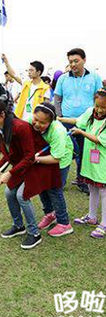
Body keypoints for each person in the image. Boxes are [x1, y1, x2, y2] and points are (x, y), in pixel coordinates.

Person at [0, 99, 61, 249]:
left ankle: (34, 233)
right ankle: (19, 226)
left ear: (2, 114)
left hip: (38, 164)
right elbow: (9, 152)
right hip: (24, 164)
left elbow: (29, 157)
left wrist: (9, 173)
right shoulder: (0, 128)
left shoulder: (20, 127)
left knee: (22, 195)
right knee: (9, 193)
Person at [54, 48, 103, 194]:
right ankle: (59, 181)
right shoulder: (63, 78)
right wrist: (59, 115)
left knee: (84, 152)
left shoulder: (94, 77)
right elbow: (57, 98)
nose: (73, 64)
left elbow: (99, 98)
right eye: (70, 62)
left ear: (84, 60)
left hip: (87, 122)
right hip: (66, 121)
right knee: (65, 151)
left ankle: (82, 181)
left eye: (76, 61)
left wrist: (97, 117)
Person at [59, 89, 106, 238]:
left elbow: (99, 139)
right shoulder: (91, 113)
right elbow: (77, 121)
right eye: (97, 106)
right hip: (91, 162)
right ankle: (92, 217)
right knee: (92, 188)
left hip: (103, 164)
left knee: (104, 193)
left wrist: (81, 133)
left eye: (103, 107)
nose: (99, 110)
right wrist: (59, 119)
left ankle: (104, 224)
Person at [31, 103, 74, 237]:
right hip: (43, 155)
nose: (37, 124)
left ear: (51, 121)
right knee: (42, 187)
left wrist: (35, 159)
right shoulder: (29, 121)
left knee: (54, 190)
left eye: (43, 123)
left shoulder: (58, 131)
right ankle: (50, 214)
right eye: (36, 120)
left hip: (60, 158)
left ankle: (64, 223)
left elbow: (56, 158)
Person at [2, 54, 50, 121]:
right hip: (21, 118)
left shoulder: (45, 88)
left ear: (38, 72)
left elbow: (47, 108)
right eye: (28, 70)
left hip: (35, 121)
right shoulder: (26, 83)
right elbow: (13, 74)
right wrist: (6, 62)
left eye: (31, 70)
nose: (29, 72)